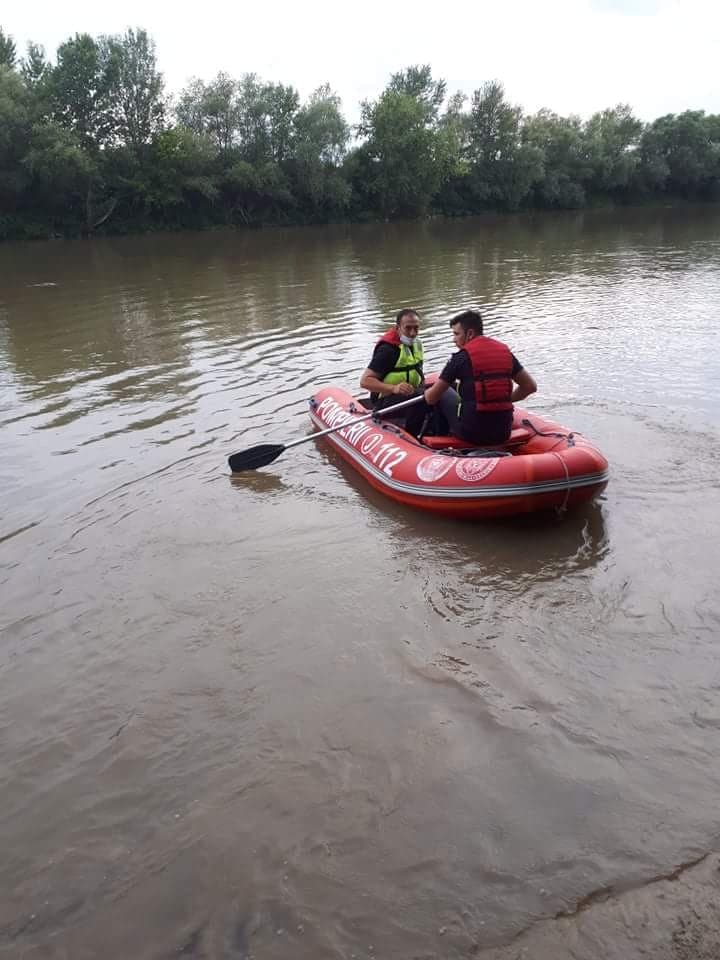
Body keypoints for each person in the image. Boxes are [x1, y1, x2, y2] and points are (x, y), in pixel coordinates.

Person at [423, 309, 537, 445]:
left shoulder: (460, 358)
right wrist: (504, 400)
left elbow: (431, 398)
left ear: (470, 334)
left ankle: (439, 439)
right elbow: (530, 387)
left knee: (444, 392)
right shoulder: (504, 352)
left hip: (472, 433)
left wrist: (426, 392)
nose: (454, 340)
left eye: (456, 334)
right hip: (503, 432)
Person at [359, 308, 428, 436]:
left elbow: (418, 371)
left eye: (416, 328)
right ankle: (412, 437)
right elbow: (365, 381)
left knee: (437, 394)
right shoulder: (388, 350)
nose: (412, 333)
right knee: (419, 400)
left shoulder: (416, 345)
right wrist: (394, 388)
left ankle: (439, 432)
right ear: (398, 328)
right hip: (386, 402)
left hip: (410, 394)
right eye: (408, 328)